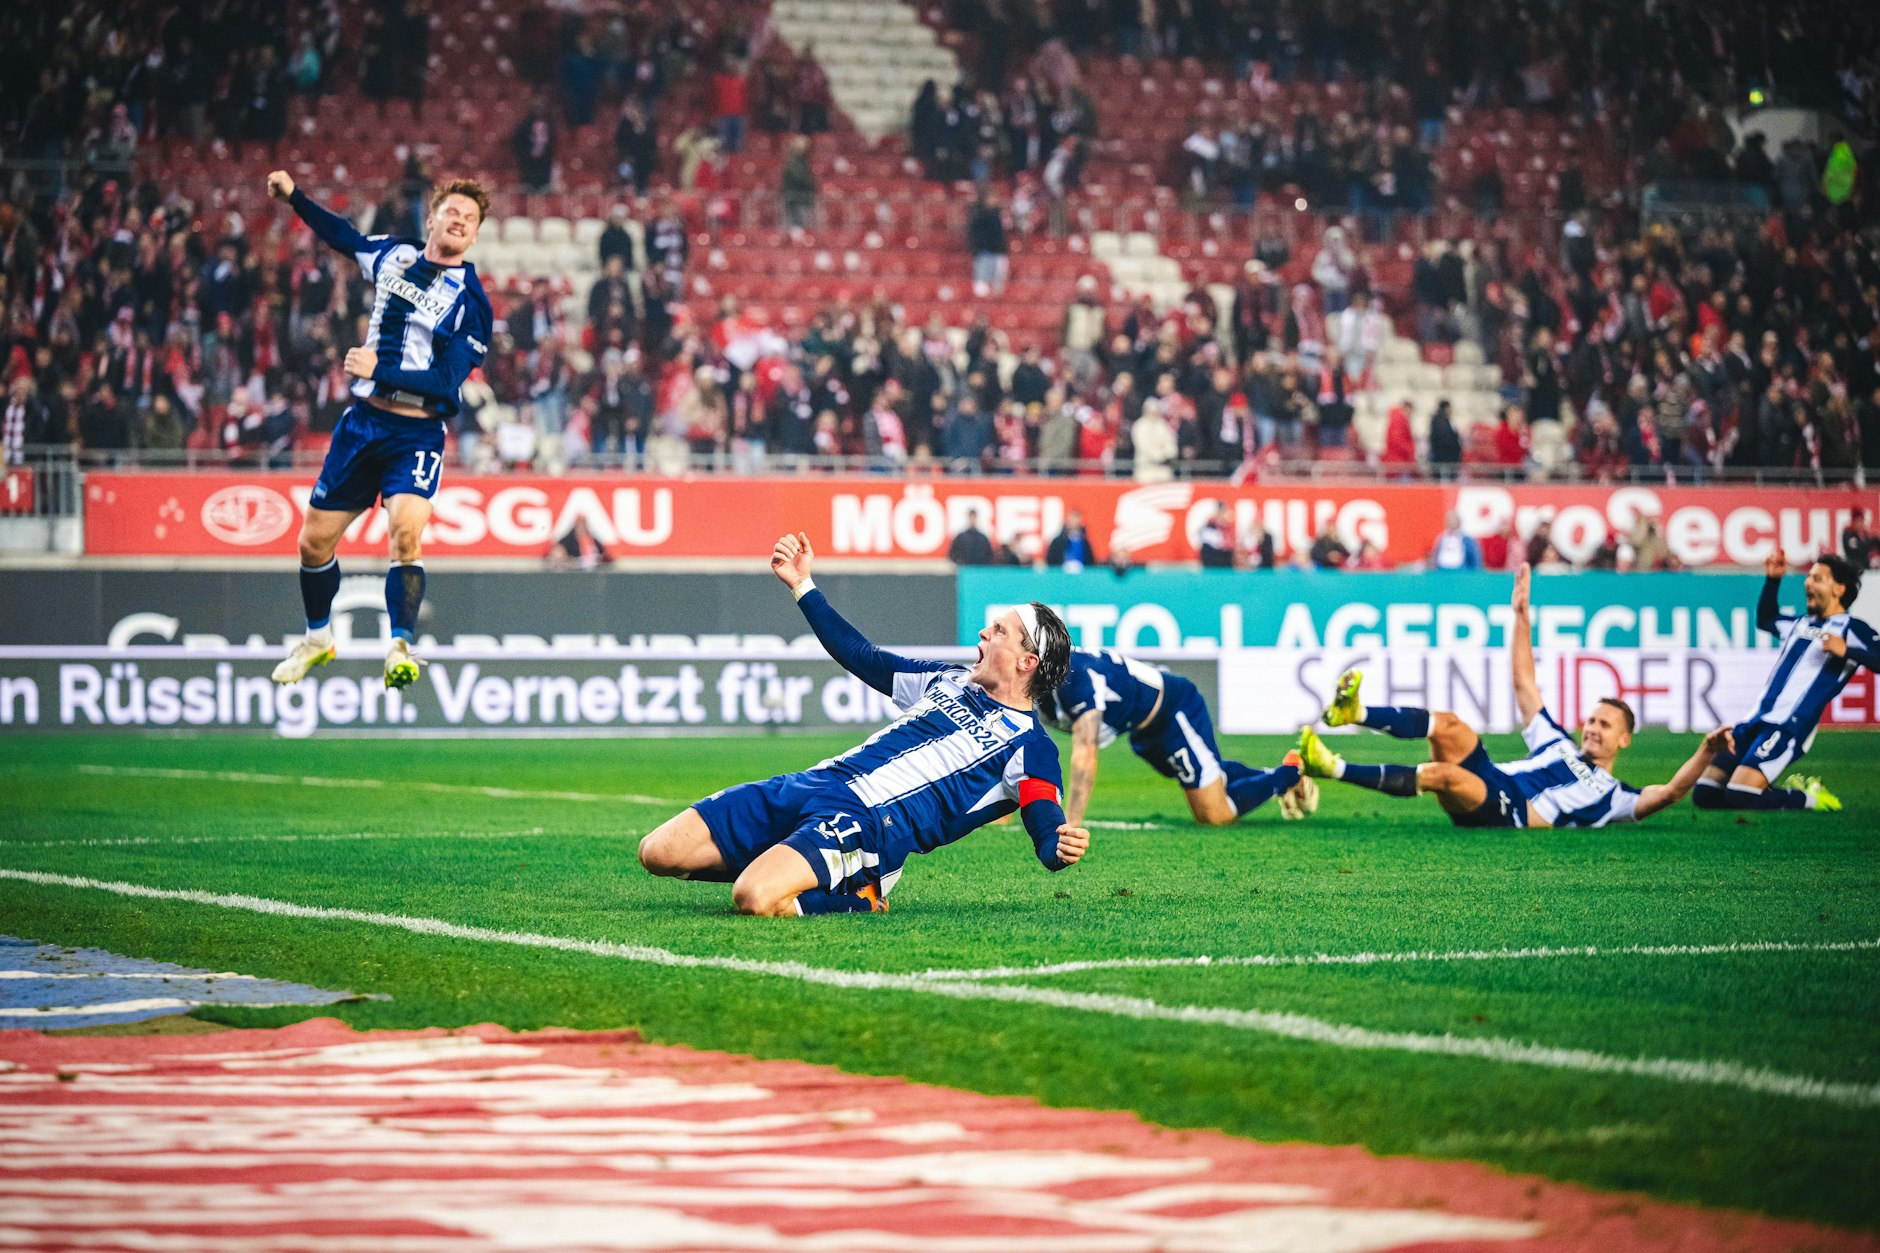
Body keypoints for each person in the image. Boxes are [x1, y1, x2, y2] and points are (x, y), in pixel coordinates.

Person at [637, 532, 1087, 914]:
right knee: (658, 853)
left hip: (867, 824)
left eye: (999, 632)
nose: (984, 634)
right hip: (817, 782)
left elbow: (1044, 824)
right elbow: (861, 656)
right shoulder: (946, 678)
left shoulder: (1030, 745)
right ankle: (791, 859)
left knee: (754, 896)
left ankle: (863, 896)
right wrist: (802, 585)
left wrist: (1057, 847)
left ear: (1028, 662)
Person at [266, 169, 492, 689]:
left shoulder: (472, 303)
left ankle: (400, 646)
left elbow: (445, 381)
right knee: (312, 545)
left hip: (416, 433)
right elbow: (342, 234)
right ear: (432, 217)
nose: (458, 222)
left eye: (470, 219)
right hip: (362, 426)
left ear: (476, 235)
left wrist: (378, 370)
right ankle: (318, 639)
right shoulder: (394, 255)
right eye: (452, 212)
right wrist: (295, 196)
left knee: (405, 534)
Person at [1298, 564, 1730, 829]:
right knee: (1450, 724)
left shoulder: (1618, 796)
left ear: (1624, 739)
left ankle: (1330, 766)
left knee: (1444, 776)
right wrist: (1521, 617)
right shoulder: (1557, 742)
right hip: (1495, 778)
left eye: (1605, 725)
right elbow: (1525, 682)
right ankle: (1355, 711)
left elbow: (1672, 792)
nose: (1594, 728)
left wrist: (1707, 751)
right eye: (1593, 720)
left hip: (1513, 813)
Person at [1040, 647, 1315, 829]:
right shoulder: (1045, 672)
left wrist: (1071, 825)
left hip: (1173, 712)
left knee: (1213, 815)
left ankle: (1288, 774)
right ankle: (1266, 776)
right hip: (1143, 731)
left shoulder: (1072, 676)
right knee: (1210, 778)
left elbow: (1086, 752)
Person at [1692, 549, 1877, 813]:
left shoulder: (1851, 629)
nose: (1807, 583)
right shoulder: (1799, 623)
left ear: (1838, 589)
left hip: (1789, 726)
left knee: (1741, 795)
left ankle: (1809, 798)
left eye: (1817, 578)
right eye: (1808, 577)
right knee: (1705, 794)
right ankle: (1757, 788)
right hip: (1755, 720)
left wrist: (1848, 650)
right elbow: (1766, 619)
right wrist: (1773, 581)